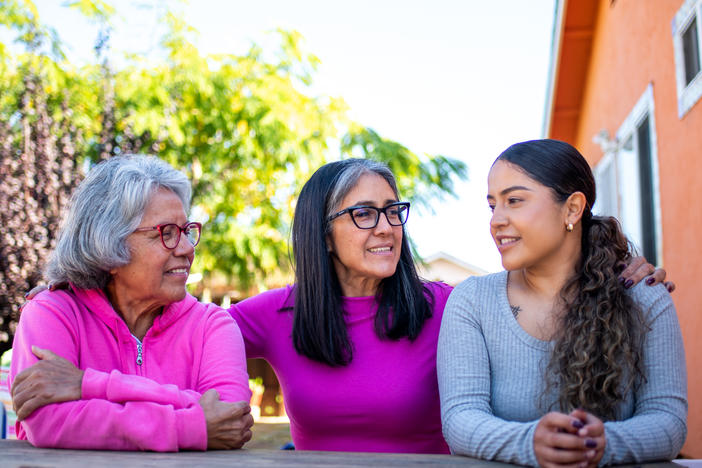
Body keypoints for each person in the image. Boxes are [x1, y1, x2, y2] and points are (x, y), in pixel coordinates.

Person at [13, 157, 668, 454]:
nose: (385, 227)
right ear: (320, 232)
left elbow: (541, 288)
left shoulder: (454, 306)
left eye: (392, 211)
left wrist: (609, 267)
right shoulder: (262, 317)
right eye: (362, 213)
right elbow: (178, 366)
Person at [437, 139, 687, 466]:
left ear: (572, 208)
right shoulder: (472, 302)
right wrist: (530, 443)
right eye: (492, 205)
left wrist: (603, 444)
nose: (496, 220)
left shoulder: (643, 295)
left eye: (514, 200)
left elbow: (668, 420)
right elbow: (460, 419)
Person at [9, 155, 253, 451]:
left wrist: (89, 385)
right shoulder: (52, 313)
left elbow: (230, 418)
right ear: (108, 245)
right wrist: (190, 425)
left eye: (186, 231)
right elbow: (49, 422)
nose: (188, 249)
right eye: (167, 233)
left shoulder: (212, 325)